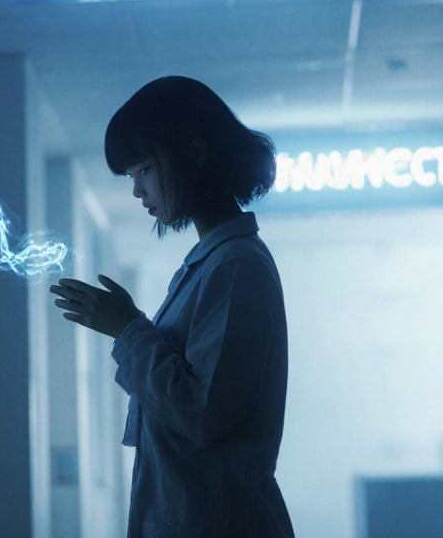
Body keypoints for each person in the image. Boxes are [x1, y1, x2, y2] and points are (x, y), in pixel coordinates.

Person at [49, 76, 294, 538]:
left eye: (143, 169)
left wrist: (128, 330)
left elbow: (199, 416)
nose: (138, 191)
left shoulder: (237, 267)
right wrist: (130, 330)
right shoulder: (212, 266)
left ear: (194, 155)